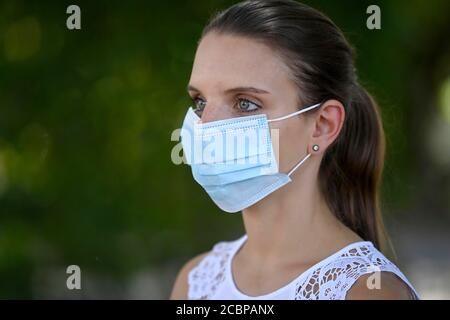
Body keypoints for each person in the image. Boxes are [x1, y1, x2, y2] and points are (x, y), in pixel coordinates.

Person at [170, 0, 419, 300]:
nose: (206, 125)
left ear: (323, 125)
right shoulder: (195, 281)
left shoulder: (369, 292)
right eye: (200, 101)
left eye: (245, 103)